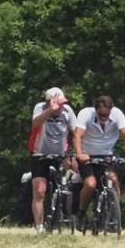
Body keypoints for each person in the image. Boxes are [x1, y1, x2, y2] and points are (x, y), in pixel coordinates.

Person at [74, 95, 125, 221]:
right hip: (87, 155)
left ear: (111, 110)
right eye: (100, 115)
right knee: (90, 183)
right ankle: (81, 212)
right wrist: (79, 153)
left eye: (106, 115)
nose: (103, 118)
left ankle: (115, 214)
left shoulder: (117, 114)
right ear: (95, 110)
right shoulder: (86, 114)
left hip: (107, 154)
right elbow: (77, 136)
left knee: (113, 179)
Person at [28, 87, 79, 234]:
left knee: (74, 174)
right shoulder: (40, 108)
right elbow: (35, 124)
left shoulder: (67, 111)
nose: (60, 107)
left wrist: (75, 154)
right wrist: (50, 110)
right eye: (58, 103)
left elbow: (75, 133)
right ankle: (39, 226)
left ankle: (73, 215)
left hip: (60, 153)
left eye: (62, 103)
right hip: (39, 153)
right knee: (39, 190)